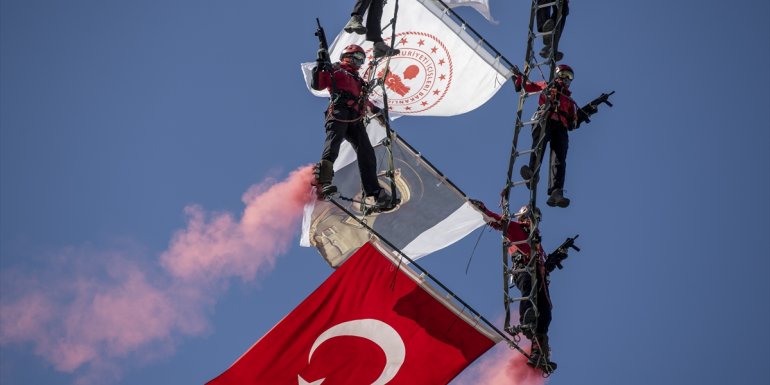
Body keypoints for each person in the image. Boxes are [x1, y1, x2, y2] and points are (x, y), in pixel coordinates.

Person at [470, 200, 573, 372]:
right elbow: (497, 222)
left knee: (546, 313)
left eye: (536, 219)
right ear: (525, 216)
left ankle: (538, 353)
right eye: (532, 217)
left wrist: (556, 258)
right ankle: (527, 320)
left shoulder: (537, 244)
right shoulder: (517, 228)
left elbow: (544, 267)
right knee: (528, 288)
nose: (534, 221)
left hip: (539, 277)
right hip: (523, 271)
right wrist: (482, 209)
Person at [311, 44, 393, 210]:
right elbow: (318, 84)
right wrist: (320, 64)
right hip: (339, 111)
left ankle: (374, 192)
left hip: (355, 117)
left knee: (366, 151)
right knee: (334, 143)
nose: (359, 62)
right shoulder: (336, 70)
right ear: (347, 56)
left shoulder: (358, 80)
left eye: (362, 59)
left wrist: (378, 113)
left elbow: (365, 101)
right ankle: (322, 183)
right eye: (356, 57)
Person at [514, 64, 596, 208]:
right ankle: (532, 172)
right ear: (558, 74)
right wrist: (518, 77)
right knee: (539, 145)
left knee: (559, 158)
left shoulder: (569, 101)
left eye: (570, 77)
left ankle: (556, 191)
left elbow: (572, 123)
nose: (567, 79)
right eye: (565, 75)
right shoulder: (547, 85)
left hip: (561, 126)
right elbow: (526, 87)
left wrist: (587, 111)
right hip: (545, 119)